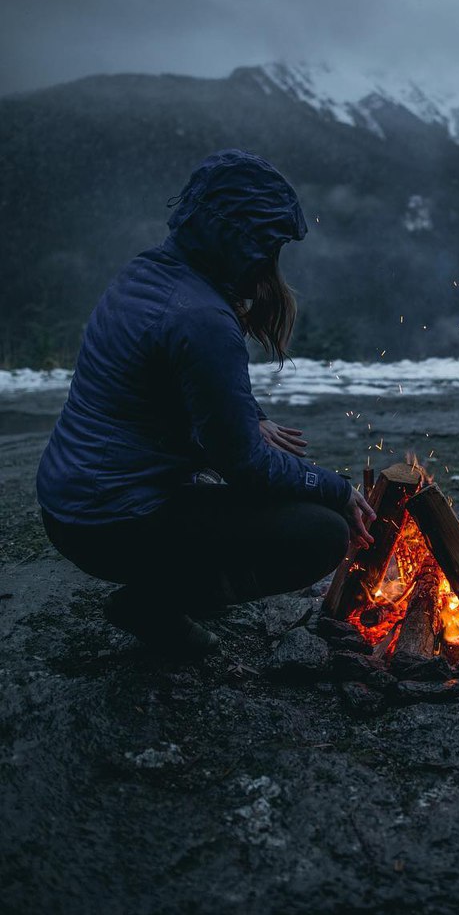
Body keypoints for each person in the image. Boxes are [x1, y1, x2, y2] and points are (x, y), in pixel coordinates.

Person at [37, 149, 375, 658]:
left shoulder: (146, 276)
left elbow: (176, 387)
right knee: (320, 534)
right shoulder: (201, 318)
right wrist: (337, 489)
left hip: (69, 507)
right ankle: (154, 605)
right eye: (269, 245)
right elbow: (245, 466)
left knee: (282, 494)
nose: (273, 260)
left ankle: (160, 591)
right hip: (113, 522)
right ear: (240, 244)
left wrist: (250, 419)